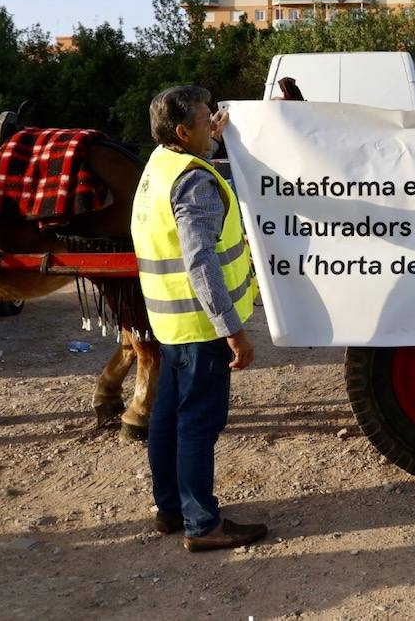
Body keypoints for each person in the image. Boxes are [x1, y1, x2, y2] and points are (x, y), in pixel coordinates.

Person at [132, 85, 267, 552]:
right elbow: (200, 261)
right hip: (200, 326)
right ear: (182, 130)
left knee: (167, 416)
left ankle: (169, 508)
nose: (214, 123)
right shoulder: (194, 181)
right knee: (197, 423)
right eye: (206, 118)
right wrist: (232, 329)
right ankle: (202, 523)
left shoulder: (160, 166)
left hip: (169, 321)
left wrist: (217, 139)